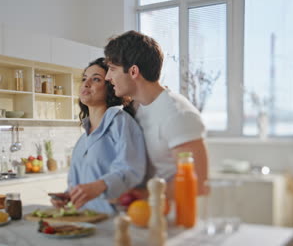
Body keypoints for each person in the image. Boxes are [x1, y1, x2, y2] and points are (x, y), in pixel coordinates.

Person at [104, 30, 209, 198]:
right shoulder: (136, 109)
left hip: (173, 220)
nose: (108, 77)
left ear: (133, 72)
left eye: (112, 69)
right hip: (143, 216)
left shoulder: (178, 115)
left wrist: (142, 195)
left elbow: (197, 183)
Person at [50, 57, 150, 214]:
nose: (86, 84)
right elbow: (80, 185)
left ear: (110, 86)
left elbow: (130, 170)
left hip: (112, 225)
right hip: (83, 223)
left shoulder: (120, 121)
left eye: (96, 79)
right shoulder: (82, 141)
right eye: (84, 79)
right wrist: (69, 196)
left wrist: (100, 186)